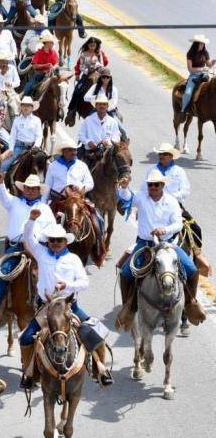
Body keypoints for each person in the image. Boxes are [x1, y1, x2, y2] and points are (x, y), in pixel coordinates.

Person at [19, 214, 112, 387]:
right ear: (48, 242)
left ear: (65, 242)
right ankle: (29, 373)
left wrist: (67, 285)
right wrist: (31, 220)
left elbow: (84, 282)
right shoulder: (41, 253)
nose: (55, 243)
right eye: (52, 240)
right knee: (25, 338)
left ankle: (101, 370)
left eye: (59, 240)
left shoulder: (73, 259)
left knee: (97, 333)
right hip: (47, 308)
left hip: (69, 307)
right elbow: (28, 238)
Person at [117, 170, 206, 328]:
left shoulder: (171, 201)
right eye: (150, 184)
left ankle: (190, 303)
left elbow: (178, 224)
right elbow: (127, 198)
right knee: (125, 273)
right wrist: (124, 187)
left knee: (192, 270)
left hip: (167, 244)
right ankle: (128, 307)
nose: (153, 187)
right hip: (145, 244)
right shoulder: (141, 197)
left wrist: (164, 230)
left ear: (162, 185)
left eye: (156, 185)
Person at [0, 173, 55, 324]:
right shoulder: (14, 202)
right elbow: (3, 196)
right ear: (23, 189)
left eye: (34, 188)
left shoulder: (45, 209)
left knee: (52, 272)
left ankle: (53, 305)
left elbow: (52, 229)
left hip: (38, 247)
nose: (30, 191)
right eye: (27, 188)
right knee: (3, 273)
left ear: (39, 190)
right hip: (16, 247)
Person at [43, 136, 94, 204]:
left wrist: (80, 188)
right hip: (57, 201)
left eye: (75, 150)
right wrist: (43, 204)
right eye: (70, 150)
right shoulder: (53, 166)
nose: (74, 153)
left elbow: (90, 183)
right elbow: (47, 187)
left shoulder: (82, 165)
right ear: (63, 151)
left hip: (76, 200)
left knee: (93, 210)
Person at [1, 96, 43, 172]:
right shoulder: (17, 120)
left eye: (28, 105)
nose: (26, 107)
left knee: (44, 163)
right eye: (24, 105)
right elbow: (12, 136)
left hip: (33, 147)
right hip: (19, 147)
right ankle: (2, 178)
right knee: (4, 165)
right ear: (21, 107)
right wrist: (11, 149)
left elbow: (39, 136)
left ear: (32, 108)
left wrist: (36, 146)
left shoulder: (37, 120)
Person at [77, 94, 121, 159]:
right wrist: (88, 142)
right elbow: (81, 135)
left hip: (108, 153)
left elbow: (117, 136)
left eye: (104, 104)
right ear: (96, 106)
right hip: (90, 153)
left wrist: (108, 142)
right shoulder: (88, 120)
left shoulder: (112, 121)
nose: (102, 106)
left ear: (107, 106)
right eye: (100, 104)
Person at [181, 34, 214, 112]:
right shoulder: (190, 54)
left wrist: (212, 63)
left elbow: (208, 65)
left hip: (204, 74)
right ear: (196, 44)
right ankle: (183, 110)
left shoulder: (205, 53)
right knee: (188, 93)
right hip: (194, 75)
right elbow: (190, 69)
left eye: (203, 44)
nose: (202, 46)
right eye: (201, 44)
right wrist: (201, 69)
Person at [22, 32, 59, 97]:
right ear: (46, 43)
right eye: (51, 42)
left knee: (61, 85)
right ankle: (22, 95)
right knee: (30, 86)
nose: (53, 44)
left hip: (51, 74)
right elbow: (34, 66)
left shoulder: (54, 52)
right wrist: (46, 65)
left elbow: (57, 63)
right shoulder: (39, 53)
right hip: (40, 74)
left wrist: (54, 67)